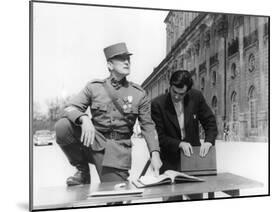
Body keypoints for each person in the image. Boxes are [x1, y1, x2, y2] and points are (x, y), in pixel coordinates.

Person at [55, 42, 162, 186]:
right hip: (93, 142)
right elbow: (70, 108)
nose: (126, 62)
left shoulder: (138, 94)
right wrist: (83, 118)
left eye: (128, 59)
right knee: (63, 126)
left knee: (115, 198)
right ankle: (82, 171)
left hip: (117, 151)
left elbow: (148, 126)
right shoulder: (94, 88)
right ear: (110, 65)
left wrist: (155, 153)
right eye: (121, 58)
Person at [151, 70, 218, 200]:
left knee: (196, 200)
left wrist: (209, 141)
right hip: (169, 162)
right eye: (174, 92)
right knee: (172, 203)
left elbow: (210, 122)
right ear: (170, 86)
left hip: (193, 161)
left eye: (181, 94)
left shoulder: (196, 97)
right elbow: (160, 137)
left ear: (187, 91)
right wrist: (179, 144)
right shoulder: (158, 104)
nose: (176, 96)